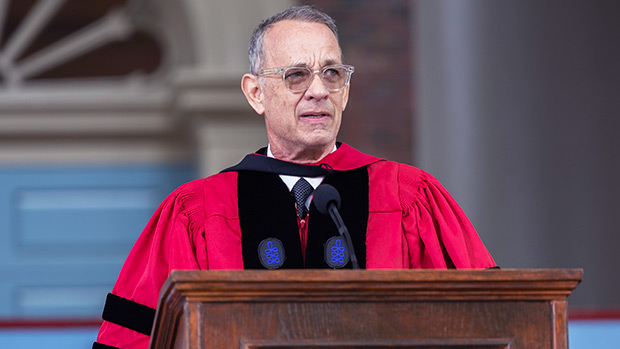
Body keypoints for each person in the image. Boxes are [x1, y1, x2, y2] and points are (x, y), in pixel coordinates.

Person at [93, 5, 496, 349]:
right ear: (256, 94)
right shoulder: (194, 211)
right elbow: (135, 336)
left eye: (332, 73)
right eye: (297, 75)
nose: (319, 90)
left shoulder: (410, 197)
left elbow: (491, 321)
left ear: (347, 90)